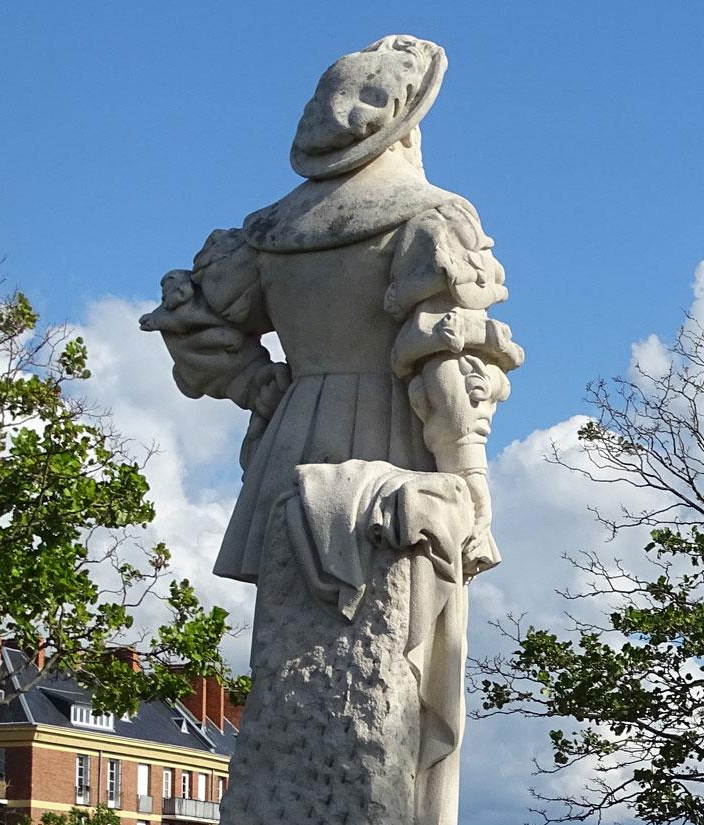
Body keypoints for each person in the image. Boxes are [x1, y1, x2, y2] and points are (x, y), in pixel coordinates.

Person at [140, 35, 520, 825]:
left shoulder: (271, 231)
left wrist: (262, 387)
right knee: (394, 671)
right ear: (410, 122)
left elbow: (193, 325)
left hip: (291, 451)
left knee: (291, 666)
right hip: (397, 450)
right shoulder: (428, 218)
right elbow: (440, 362)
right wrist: (471, 476)